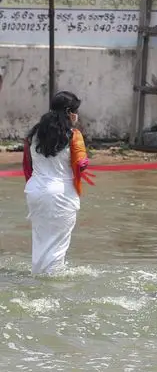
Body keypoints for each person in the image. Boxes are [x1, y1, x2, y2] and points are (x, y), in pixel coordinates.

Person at [22, 91, 94, 275]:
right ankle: (51, 287)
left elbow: (27, 167)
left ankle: (38, 276)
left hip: (35, 191)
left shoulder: (34, 134)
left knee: (40, 241)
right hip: (61, 194)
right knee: (57, 246)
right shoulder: (73, 135)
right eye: (75, 111)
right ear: (69, 112)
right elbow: (81, 163)